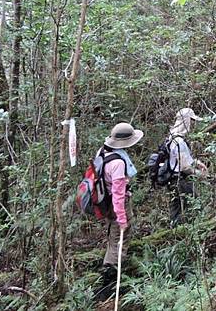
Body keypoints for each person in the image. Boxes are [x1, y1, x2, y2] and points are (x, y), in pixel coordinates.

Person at [95, 122, 143, 301]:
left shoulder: (103, 151)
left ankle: (111, 273)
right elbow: (118, 194)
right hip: (116, 206)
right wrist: (122, 218)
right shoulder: (117, 163)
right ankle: (110, 283)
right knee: (119, 239)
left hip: (105, 204)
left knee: (113, 237)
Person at [166, 108, 208, 227]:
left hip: (173, 179)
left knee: (177, 206)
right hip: (180, 179)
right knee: (192, 204)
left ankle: (174, 230)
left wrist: (196, 162)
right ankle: (188, 230)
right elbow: (184, 166)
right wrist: (203, 176)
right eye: (192, 121)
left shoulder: (172, 137)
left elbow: (180, 158)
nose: (193, 125)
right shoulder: (178, 141)